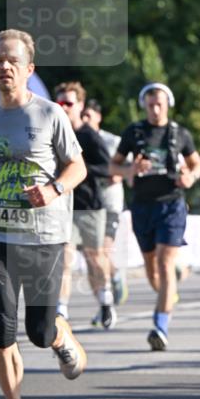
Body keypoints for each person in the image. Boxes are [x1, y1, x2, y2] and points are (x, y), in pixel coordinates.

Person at [0, 30, 87, 399]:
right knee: (1, 326)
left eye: (11, 60)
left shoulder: (50, 114)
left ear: (28, 69)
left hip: (44, 237)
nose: (3, 66)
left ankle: (58, 333)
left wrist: (54, 189)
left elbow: (78, 168)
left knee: (38, 331)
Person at [110, 83, 200, 350]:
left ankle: (160, 326)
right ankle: (168, 293)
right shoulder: (133, 132)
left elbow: (196, 164)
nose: (155, 109)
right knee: (152, 269)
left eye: (159, 104)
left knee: (164, 263)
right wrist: (131, 168)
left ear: (167, 104)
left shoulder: (179, 133)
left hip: (171, 204)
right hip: (142, 206)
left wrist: (191, 176)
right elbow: (112, 165)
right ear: (144, 105)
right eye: (150, 104)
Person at [54, 82, 116, 329]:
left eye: (69, 103)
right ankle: (61, 311)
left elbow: (107, 167)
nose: (64, 107)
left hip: (89, 205)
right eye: (60, 103)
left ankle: (105, 301)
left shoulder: (90, 136)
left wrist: (78, 171)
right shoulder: (54, 131)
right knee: (64, 258)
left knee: (94, 258)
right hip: (62, 205)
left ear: (80, 105)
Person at [81, 99, 128, 313]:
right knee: (91, 259)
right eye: (83, 116)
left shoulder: (111, 141)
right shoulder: (76, 139)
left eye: (89, 116)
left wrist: (109, 174)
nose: (85, 120)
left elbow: (123, 170)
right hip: (87, 205)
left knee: (102, 251)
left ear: (98, 117)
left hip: (109, 204)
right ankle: (103, 305)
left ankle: (114, 275)